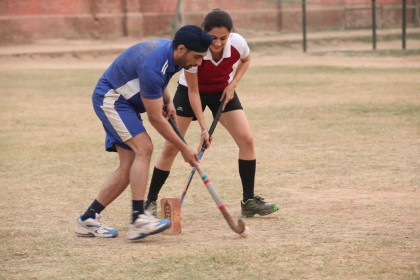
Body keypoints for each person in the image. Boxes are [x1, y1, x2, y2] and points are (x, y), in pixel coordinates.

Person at [74, 25, 213, 241]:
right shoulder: (153, 62)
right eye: (197, 57)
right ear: (182, 48)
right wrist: (184, 148)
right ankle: (139, 218)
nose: (199, 62)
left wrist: (167, 99)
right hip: (112, 99)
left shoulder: (173, 56)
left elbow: (159, 80)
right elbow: (156, 118)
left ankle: (88, 218)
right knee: (145, 148)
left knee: (129, 163)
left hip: (125, 103)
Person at [145, 9, 280, 218]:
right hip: (190, 93)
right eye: (213, 38)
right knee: (171, 147)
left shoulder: (238, 43)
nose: (218, 43)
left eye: (223, 38)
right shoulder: (196, 50)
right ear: (205, 34)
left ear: (231, 34)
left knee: (247, 140)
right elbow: (193, 91)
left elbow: (246, 60)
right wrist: (203, 128)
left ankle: (249, 200)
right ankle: (150, 202)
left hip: (222, 92)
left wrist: (233, 84)